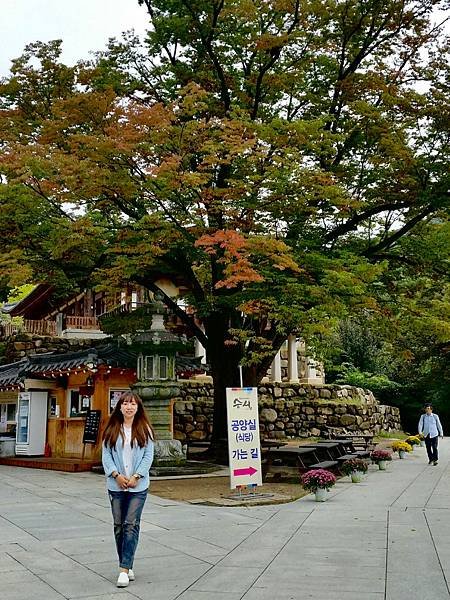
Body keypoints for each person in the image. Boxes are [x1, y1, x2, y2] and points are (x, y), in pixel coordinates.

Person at [102, 391, 155, 587]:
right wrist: (115, 475)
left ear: (138, 407)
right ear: (120, 407)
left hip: (138, 486)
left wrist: (136, 476)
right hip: (115, 485)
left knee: (130, 524)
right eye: (125, 403)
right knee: (118, 525)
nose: (129, 407)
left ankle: (123, 569)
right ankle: (127, 562)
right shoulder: (112, 428)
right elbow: (106, 455)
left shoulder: (145, 430)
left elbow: (148, 456)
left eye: (133, 404)